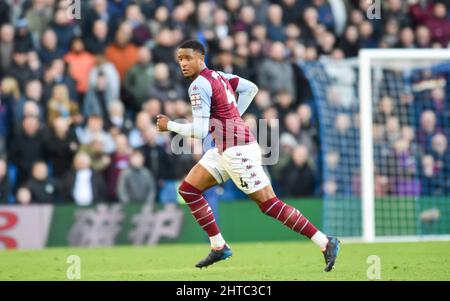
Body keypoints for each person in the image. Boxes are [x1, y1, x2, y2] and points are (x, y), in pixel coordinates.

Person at [156, 40, 339, 271]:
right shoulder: (220, 76)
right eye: (180, 59)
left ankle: (325, 242)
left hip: (237, 150)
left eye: (187, 58)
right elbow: (251, 88)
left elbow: (201, 131)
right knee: (189, 190)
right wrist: (231, 119)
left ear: (200, 59)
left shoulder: (198, 86)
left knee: (269, 205)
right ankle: (218, 247)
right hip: (225, 147)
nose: (183, 63)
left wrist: (170, 125)